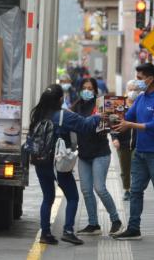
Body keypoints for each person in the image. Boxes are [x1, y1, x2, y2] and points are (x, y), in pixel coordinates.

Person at [112, 63, 154, 241]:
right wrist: (111, 115)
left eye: (140, 79)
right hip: (140, 153)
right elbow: (127, 118)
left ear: (150, 79)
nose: (137, 82)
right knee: (135, 191)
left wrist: (129, 125)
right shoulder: (141, 99)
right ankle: (134, 228)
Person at [29, 84, 104, 246]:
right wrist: (99, 115)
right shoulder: (63, 116)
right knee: (73, 197)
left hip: (40, 163)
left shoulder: (38, 115)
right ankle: (68, 231)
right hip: (57, 164)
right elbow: (86, 125)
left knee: (47, 198)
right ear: (60, 99)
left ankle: (45, 233)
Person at [72, 78, 123, 236]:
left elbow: (112, 123)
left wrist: (114, 136)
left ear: (95, 91)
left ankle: (116, 220)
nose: (87, 91)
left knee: (99, 188)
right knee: (86, 190)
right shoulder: (76, 106)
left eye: (90, 88)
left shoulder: (101, 106)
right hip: (84, 154)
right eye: (84, 88)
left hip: (100, 152)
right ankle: (93, 224)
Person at [111, 80, 141, 201]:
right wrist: (114, 138)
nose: (133, 92)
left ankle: (135, 189)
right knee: (125, 169)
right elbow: (112, 123)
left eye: (135, 90)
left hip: (137, 143)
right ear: (126, 91)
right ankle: (126, 189)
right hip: (122, 143)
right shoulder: (119, 105)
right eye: (130, 89)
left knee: (136, 168)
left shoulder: (141, 104)